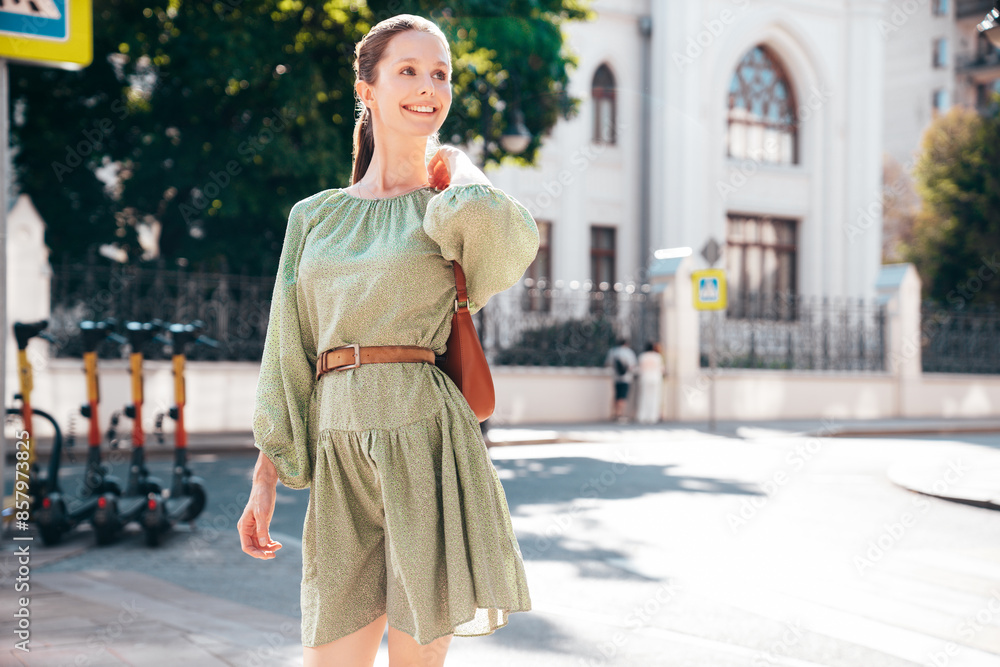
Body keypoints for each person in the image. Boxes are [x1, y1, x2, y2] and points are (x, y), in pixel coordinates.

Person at [236, 14, 538, 667]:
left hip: (426, 444)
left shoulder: (446, 208)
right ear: (366, 88)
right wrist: (264, 476)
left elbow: (501, 230)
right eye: (408, 71)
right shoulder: (313, 216)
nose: (429, 87)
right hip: (338, 452)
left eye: (441, 74)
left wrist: (455, 162)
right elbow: (287, 349)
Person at [604, 336, 638, 423]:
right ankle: (620, 414)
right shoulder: (629, 352)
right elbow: (632, 365)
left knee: (617, 395)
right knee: (623, 396)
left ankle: (615, 413)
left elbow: (608, 363)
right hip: (626, 378)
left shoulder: (613, 351)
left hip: (616, 377)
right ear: (626, 343)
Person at [636, 341, 665, 424]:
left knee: (644, 397)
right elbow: (662, 369)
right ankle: (653, 417)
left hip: (645, 378)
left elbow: (640, 368)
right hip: (656, 379)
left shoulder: (642, 356)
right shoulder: (657, 357)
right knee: (655, 398)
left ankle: (642, 416)